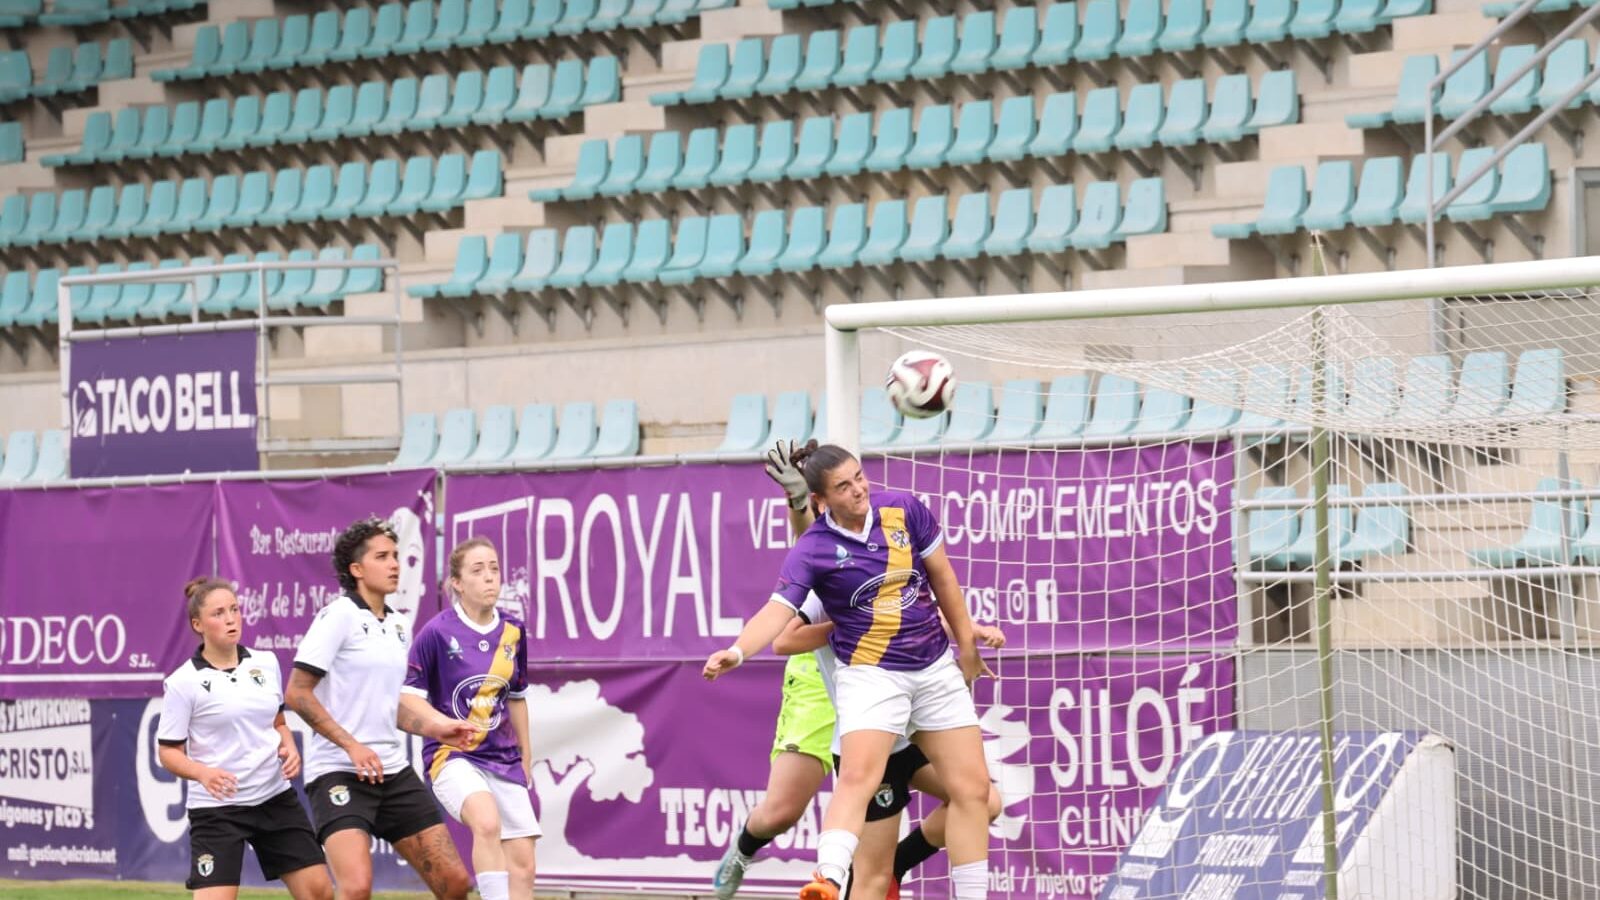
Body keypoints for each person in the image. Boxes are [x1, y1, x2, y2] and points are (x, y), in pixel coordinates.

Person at [714, 440, 1004, 900]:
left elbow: (919, 598)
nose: (858, 490)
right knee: (792, 814)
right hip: (864, 702)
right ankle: (805, 871)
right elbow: (783, 630)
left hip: (919, 707)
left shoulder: (900, 516)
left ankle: (900, 867)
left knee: (981, 797)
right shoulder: (819, 562)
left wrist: (966, 635)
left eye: (859, 478)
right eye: (843, 486)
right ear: (821, 501)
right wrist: (740, 650)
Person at [286, 517, 481, 900]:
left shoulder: (398, 625)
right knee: (356, 888)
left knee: (455, 884)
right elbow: (297, 693)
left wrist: (436, 728)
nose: (394, 564)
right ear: (357, 569)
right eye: (382, 557)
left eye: (395, 555)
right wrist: (351, 746)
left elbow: (390, 706)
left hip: (392, 772)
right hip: (338, 773)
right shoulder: (338, 616)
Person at [157, 577, 333, 900]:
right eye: (219, 613)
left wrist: (288, 742)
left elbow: (278, 720)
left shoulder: (266, 663)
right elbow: (168, 752)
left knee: (320, 892)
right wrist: (203, 773)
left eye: (235, 610)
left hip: (273, 797)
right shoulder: (183, 682)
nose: (230, 619)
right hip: (217, 809)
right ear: (198, 624)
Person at [401, 538, 537, 900]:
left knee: (523, 862)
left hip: (503, 756)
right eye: (478, 571)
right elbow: (408, 701)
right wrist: (443, 727)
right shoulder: (435, 633)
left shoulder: (513, 631)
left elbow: (517, 698)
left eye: (494, 568)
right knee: (487, 822)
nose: (490, 577)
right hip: (452, 755)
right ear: (456, 584)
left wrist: (526, 753)